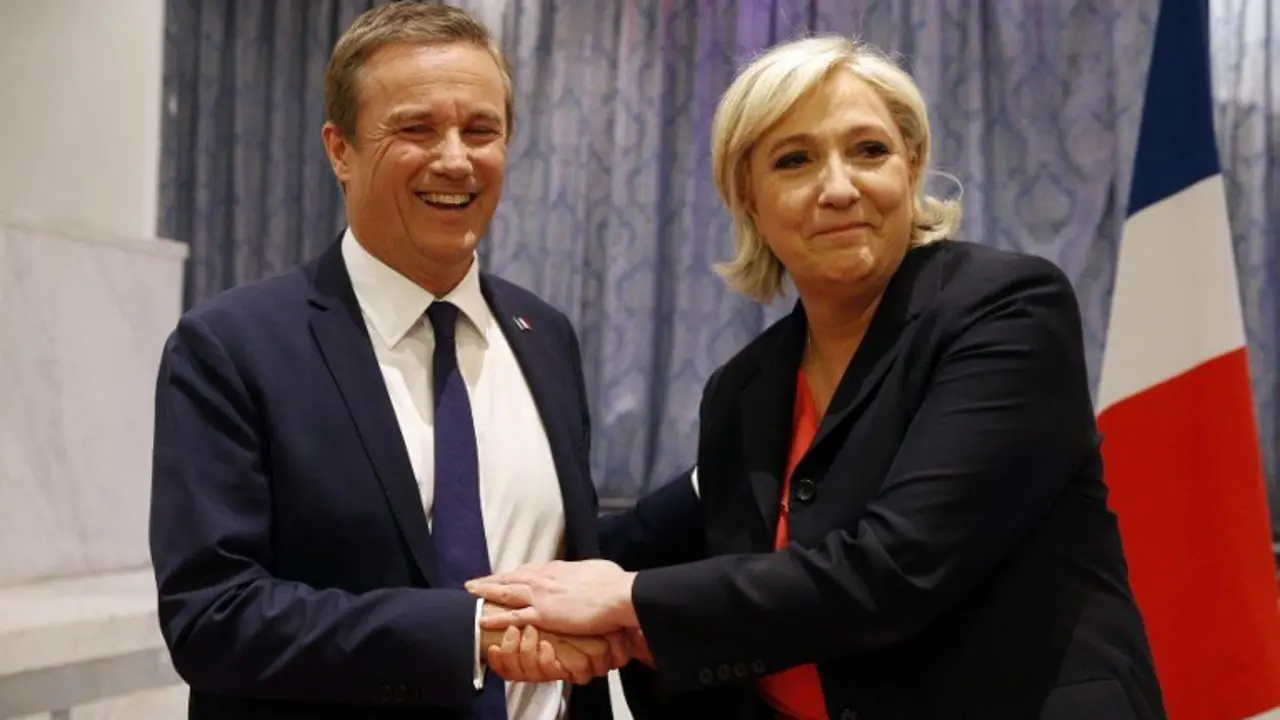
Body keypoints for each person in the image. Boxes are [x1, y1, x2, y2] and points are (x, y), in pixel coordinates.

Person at [468, 35, 1168, 720]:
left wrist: (627, 603)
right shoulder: (745, 389)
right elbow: (675, 553)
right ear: (748, 197)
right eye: (795, 160)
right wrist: (493, 606)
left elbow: (894, 572)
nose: (839, 188)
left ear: (912, 166)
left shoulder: (1005, 309)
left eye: (869, 151)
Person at [148, 3, 627, 718]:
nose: (457, 159)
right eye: (416, 128)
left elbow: (558, 536)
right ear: (340, 150)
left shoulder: (544, 333)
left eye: (482, 130)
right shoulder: (231, 347)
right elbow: (214, 618)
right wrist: (468, 636)